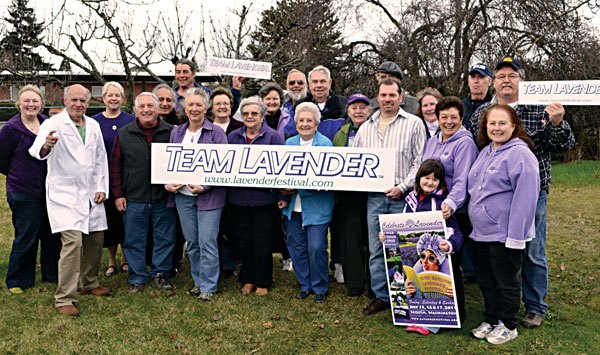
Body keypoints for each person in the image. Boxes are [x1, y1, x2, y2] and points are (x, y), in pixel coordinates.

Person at [469, 56, 575, 328]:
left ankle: (535, 305)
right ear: (494, 81)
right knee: (498, 252)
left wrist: (557, 123)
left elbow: (564, 145)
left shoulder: (541, 107)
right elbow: (477, 147)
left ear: (521, 80)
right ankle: (500, 307)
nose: (507, 80)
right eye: (501, 75)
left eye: (512, 75)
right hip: (495, 196)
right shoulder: (483, 112)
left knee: (532, 249)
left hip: (531, 191)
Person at [29, 84, 111, 317]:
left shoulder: (93, 125)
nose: (78, 104)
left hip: (90, 193)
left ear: (88, 102)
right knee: (73, 242)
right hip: (65, 194)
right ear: (65, 101)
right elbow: (36, 151)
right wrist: (46, 145)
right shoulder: (53, 124)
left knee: (96, 239)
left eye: (83, 101)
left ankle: (90, 283)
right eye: (74, 100)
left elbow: (99, 159)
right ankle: (64, 297)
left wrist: (101, 187)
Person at [468, 104, 540, 345]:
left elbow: (526, 198)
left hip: (505, 234)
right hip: (481, 233)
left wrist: (516, 236)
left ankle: (508, 324)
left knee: (506, 282)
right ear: (485, 126)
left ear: (513, 126)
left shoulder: (521, 154)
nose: (496, 128)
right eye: (492, 123)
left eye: (502, 123)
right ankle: (491, 319)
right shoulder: (486, 151)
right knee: (486, 281)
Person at [355, 78, 425, 316]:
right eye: (383, 95)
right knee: (376, 249)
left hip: (401, 196)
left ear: (400, 97)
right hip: (374, 198)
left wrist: (403, 187)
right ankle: (381, 296)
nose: (387, 100)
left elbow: (420, 161)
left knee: (403, 249)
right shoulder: (366, 126)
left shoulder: (414, 124)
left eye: (392, 95)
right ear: (378, 97)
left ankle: (406, 295)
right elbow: (357, 163)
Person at [110, 92, 177, 294]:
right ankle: (137, 277)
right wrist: (118, 194)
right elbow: (115, 167)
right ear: (135, 110)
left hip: (163, 196)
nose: (146, 110)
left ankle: (160, 274)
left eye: (150, 106)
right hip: (133, 197)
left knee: (165, 238)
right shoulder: (124, 133)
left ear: (158, 109)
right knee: (133, 239)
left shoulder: (171, 132)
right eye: (142, 106)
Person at [165, 89, 227, 301]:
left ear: (206, 107)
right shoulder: (177, 132)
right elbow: (171, 163)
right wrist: (169, 183)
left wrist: (205, 186)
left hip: (209, 197)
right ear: (184, 107)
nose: (194, 109)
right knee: (192, 242)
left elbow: (223, 166)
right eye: (190, 105)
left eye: (199, 105)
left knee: (207, 241)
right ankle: (198, 281)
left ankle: (209, 287)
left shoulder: (216, 133)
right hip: (183, 196)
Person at [0, 85, 60, 294]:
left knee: (52, 234)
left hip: (50, 189)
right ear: (19, 104)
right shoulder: (11, 128)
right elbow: (2, 161)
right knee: (27, 235)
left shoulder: (48, 124)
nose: (31, 104)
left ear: (41, 103)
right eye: (26, 100)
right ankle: (18, 279)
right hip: (23, 191)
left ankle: (51, 273)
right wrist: (20, 175)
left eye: (35, 101)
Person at [422, 96, 478, 321]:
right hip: (430, 209)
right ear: (437, 117)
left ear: (461, 119)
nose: (448, 121)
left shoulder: (465, 143)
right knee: (430, 260)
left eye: (453, 117)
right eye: (444, 117)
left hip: (455, 212)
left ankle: (456, 312)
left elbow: (463, 180)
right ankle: (430, 308)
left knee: (450, 262)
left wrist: (451, 204)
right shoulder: (432, 141)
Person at [227, 97, 284, 296]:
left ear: (262, 116)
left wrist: (281, 195)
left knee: (262, 241)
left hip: (264, 200)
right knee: (244, 242)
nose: (250, 117)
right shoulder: (233, 137)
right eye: (246, 114)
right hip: (237, 199)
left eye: (254, 114)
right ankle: (248, 278)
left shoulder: (273, 137)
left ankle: (263, 281)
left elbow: (281, 168)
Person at [279, 102, 335, 303]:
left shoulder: (326, 144)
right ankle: (305, 284)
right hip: (294, 206)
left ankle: (320, 286)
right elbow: (282, 174)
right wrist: (284, 195)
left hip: (317, 206)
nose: (304, 124)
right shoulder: (289, 144)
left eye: (309, 120)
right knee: (296, 246)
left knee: (317, 247)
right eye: (301, 120)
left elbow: (328, 176)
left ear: (316, 123)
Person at [400, 159, 463, 336]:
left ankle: (433, 323)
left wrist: (449, 244)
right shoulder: (411, 200)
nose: (430, 182)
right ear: (419, 177)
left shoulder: (443, 203)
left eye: (434, 180)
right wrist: (388, 236)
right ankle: (416, 316)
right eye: (426, 177)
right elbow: (401, 225)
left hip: (438, 256)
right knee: (412, 279)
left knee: (435, 284)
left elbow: (456, 233)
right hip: (421, 254)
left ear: (440, 182)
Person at [91, 81, 135, 277]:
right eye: (110, 95)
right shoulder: (94, 122)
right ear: (104, 98)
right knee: (108, 220)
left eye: (117, 95)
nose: (114, 98)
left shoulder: (131, 120)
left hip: (127, 177)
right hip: (102, 178)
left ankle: (126, 259)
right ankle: (111, 261)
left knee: (125, 219)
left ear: (123, 98)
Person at [331, 93, 371, 296]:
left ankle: (375, 283)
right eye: (354, 107)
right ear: (348, 111)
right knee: (351, 239)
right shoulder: (341, 133)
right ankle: (355, 283)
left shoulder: (375, 129)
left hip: (372, 192)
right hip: (348, 195)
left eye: (362, 107)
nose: (358, 111)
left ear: (369, 110)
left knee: (371, 239)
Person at [286, 66, 346, 140]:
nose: (319, 85)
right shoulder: (300, 106)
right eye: (315, 82)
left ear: (330, 83)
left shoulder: (343, 105)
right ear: (309, 84)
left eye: (322, 81)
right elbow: (290, 134)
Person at [172, 59, 243, 115]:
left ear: (193, 74)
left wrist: (236, 89)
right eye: (178, 72)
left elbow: (225, 112)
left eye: (185, 72)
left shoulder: (207, 93)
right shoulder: (170, 97)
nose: (181, 75)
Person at [282, 69, 308, 135]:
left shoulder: (315, 106)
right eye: (292, 83)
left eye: (300, 82)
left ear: (306, 85)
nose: (296, 85)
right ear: (286, 86)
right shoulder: (282, 109)